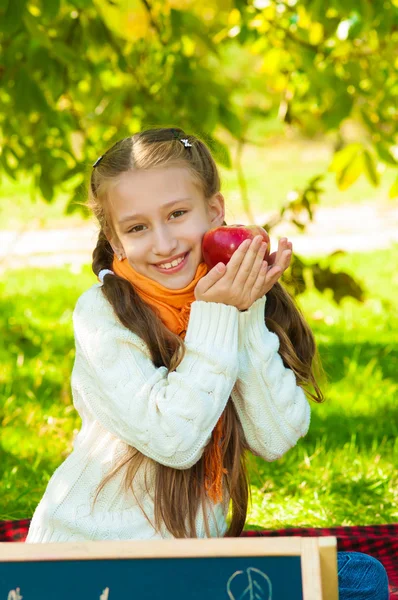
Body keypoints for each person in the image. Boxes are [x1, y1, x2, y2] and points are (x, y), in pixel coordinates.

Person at [25, 127, 389, 598]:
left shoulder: (229, 298)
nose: (163, 242)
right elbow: (174, 439)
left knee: (360, 577)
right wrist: (218, 313)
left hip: (188, 569)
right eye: (136, 227)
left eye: (177, 214)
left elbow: (277, 436)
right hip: (88, 563)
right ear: (114, 240)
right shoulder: (102, 315)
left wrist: (243, 312)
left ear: (214, 212)